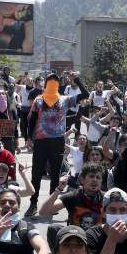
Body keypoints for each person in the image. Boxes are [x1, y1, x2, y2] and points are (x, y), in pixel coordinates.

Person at [27, 73, 90, 210]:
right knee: (36, 174)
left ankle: (50, 204)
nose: (53, 82)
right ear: (45, 84)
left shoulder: (65, 99)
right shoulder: (38, 100)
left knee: (55, 175)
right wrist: (28, 138)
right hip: (41, 142)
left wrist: (76, 80)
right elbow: (31, 121)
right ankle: (33, 203)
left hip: (57, 142)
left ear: (59, 85)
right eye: (50, 80)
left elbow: (85, 94)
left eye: (55, 81)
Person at [38, 162, 105, 228]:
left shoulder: (107, 198)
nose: (95, 180)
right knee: (53, 228)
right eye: (91, 176)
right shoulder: (72, 196)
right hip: (76, 237)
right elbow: (43, 212)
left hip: (98, 237)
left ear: (101, 182)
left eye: (98, 177)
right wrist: (59, 189)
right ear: (82, 180)